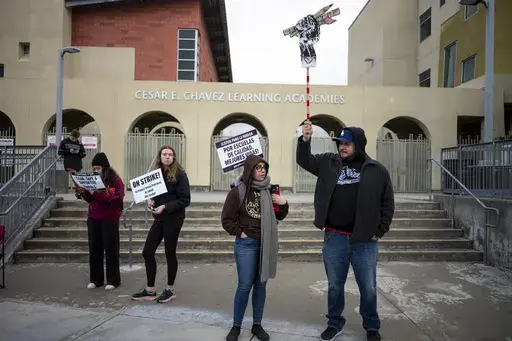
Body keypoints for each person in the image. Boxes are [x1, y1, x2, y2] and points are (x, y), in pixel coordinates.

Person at [296, 122, 395, 341]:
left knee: (368, 287)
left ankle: (371, 326)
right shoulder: (328, 163)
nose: (342, 147)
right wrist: (304, 140)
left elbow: (387, 203)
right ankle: (334, 322)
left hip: (364, 241)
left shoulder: (376, 170)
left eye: (347, 144)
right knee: (334, 285)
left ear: (359, 145)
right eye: (340, 143)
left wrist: (380, 230)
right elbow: (303, 160)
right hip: (334, 237)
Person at [221, 154, 289, 341]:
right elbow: (226, 220)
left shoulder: (269, 190)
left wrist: (284, 205)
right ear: (250, 170)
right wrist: (242, 233)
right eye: (258, 167)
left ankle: (257, 325)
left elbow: (279, 216)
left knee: (261, 285)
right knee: (244, 286)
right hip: (247, 244)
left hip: (266, 243)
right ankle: (236, 326)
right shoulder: (238, 191)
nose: (262, 170)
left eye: (264, 167)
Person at [132, 145, 191, 304]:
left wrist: (165, 206)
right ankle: (150, 290)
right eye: (164, 154)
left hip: (174, 218)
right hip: (159, 219)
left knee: (169, 253)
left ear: (174, 157)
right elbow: (155, 196)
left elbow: (185, 200)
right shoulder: (156, 174)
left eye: (170, 154)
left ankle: (170, 289)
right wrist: (151, 201)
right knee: (147, 251)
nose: (167, 157)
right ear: (160, 156)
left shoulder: (180, 174)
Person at [78, 152, 125, 291]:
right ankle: (96, 279)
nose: (96, 170)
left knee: (111, 249)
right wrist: (83, 192)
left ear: (105, 167)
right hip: (93, 217)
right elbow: (90, 199)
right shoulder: (92, 179)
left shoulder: (115, 180)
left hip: (109, 218)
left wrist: (97, 193)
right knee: (94, 249)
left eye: (98, 168)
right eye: (94, 168)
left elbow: (116, 199)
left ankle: (113, 280)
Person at [58, 129, 86, 199]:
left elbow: (83, 154)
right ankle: (81, 192)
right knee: (75, 178)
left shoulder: (79, 143)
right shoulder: (64, 142)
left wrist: (78, 153)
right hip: (69, 164)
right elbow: (60, 152)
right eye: (73, 138)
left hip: (78, 164)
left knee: (77, 179)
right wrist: (69, 151)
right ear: (70, 136)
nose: (74, 140)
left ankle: (78, 193)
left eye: (75, 139)